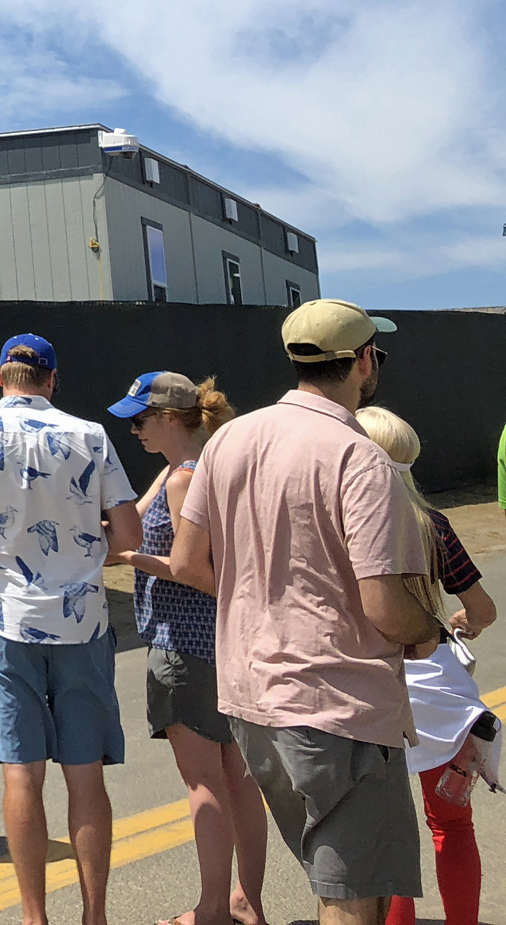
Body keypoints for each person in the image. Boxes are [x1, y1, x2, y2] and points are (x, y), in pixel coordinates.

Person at [170, 300, 439, 925]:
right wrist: (427, 631)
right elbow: (384, 604)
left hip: (251, 698)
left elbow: (186, 560)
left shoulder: (229, 439)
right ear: (364, 361)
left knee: (342, 879)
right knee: (351, 894)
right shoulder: (358, 457)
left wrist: (263, 602)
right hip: (336, 704)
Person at [0, 334, 140, 925]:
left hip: (5, 620)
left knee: (22, 774)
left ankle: (33, 917)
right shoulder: (90, 436)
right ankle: (94, 915)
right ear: (51, 380)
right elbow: (129, 536)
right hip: (83, 623)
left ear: (2, 378)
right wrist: (81, 553)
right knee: (85, 775)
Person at [106, 371, 269, 925]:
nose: (134, 431)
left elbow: (194, 571)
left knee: (204, 782)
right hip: (231, 643)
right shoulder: (206, 468)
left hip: (184, 641)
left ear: (171, 419)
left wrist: (130, 559)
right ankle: (246, 901)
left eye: (141, 421)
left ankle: (212, 909)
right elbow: (129, 523)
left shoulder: (182, 480)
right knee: (240, 780)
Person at [354, 406, 500, 925]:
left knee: (386, 835)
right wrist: (462, 622)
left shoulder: (340, 526)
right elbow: (483, 610)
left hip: (370, 684)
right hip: (438, 692)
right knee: (452, 824)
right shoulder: (431, 525)